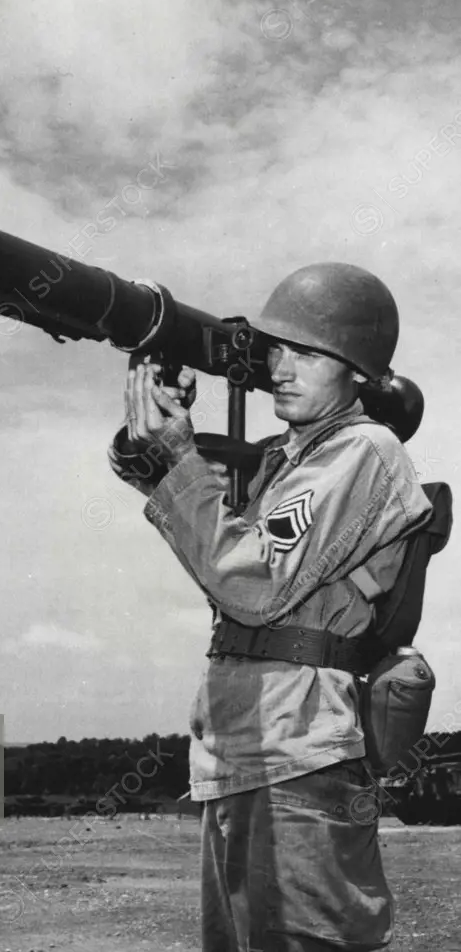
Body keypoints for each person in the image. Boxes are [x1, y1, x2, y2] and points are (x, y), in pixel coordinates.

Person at [108, 263, 433, 952]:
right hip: (245, 750)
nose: (280, 367)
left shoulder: (361, 451)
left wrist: (178, 464)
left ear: (356, 371)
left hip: (299, 760)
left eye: (306, 353)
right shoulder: (291, 460)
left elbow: (252, 584)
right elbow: (205, 524)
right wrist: (158, 440)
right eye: (276, 349)